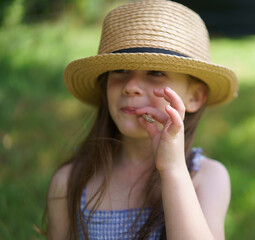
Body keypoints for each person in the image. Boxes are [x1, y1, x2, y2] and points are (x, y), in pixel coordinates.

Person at [43, 0, 238, 239]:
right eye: (120, 71)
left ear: (195, 96)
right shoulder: (70, 182)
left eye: (155, 73)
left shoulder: (207, 178)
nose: (131, 86)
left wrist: (173, 169)